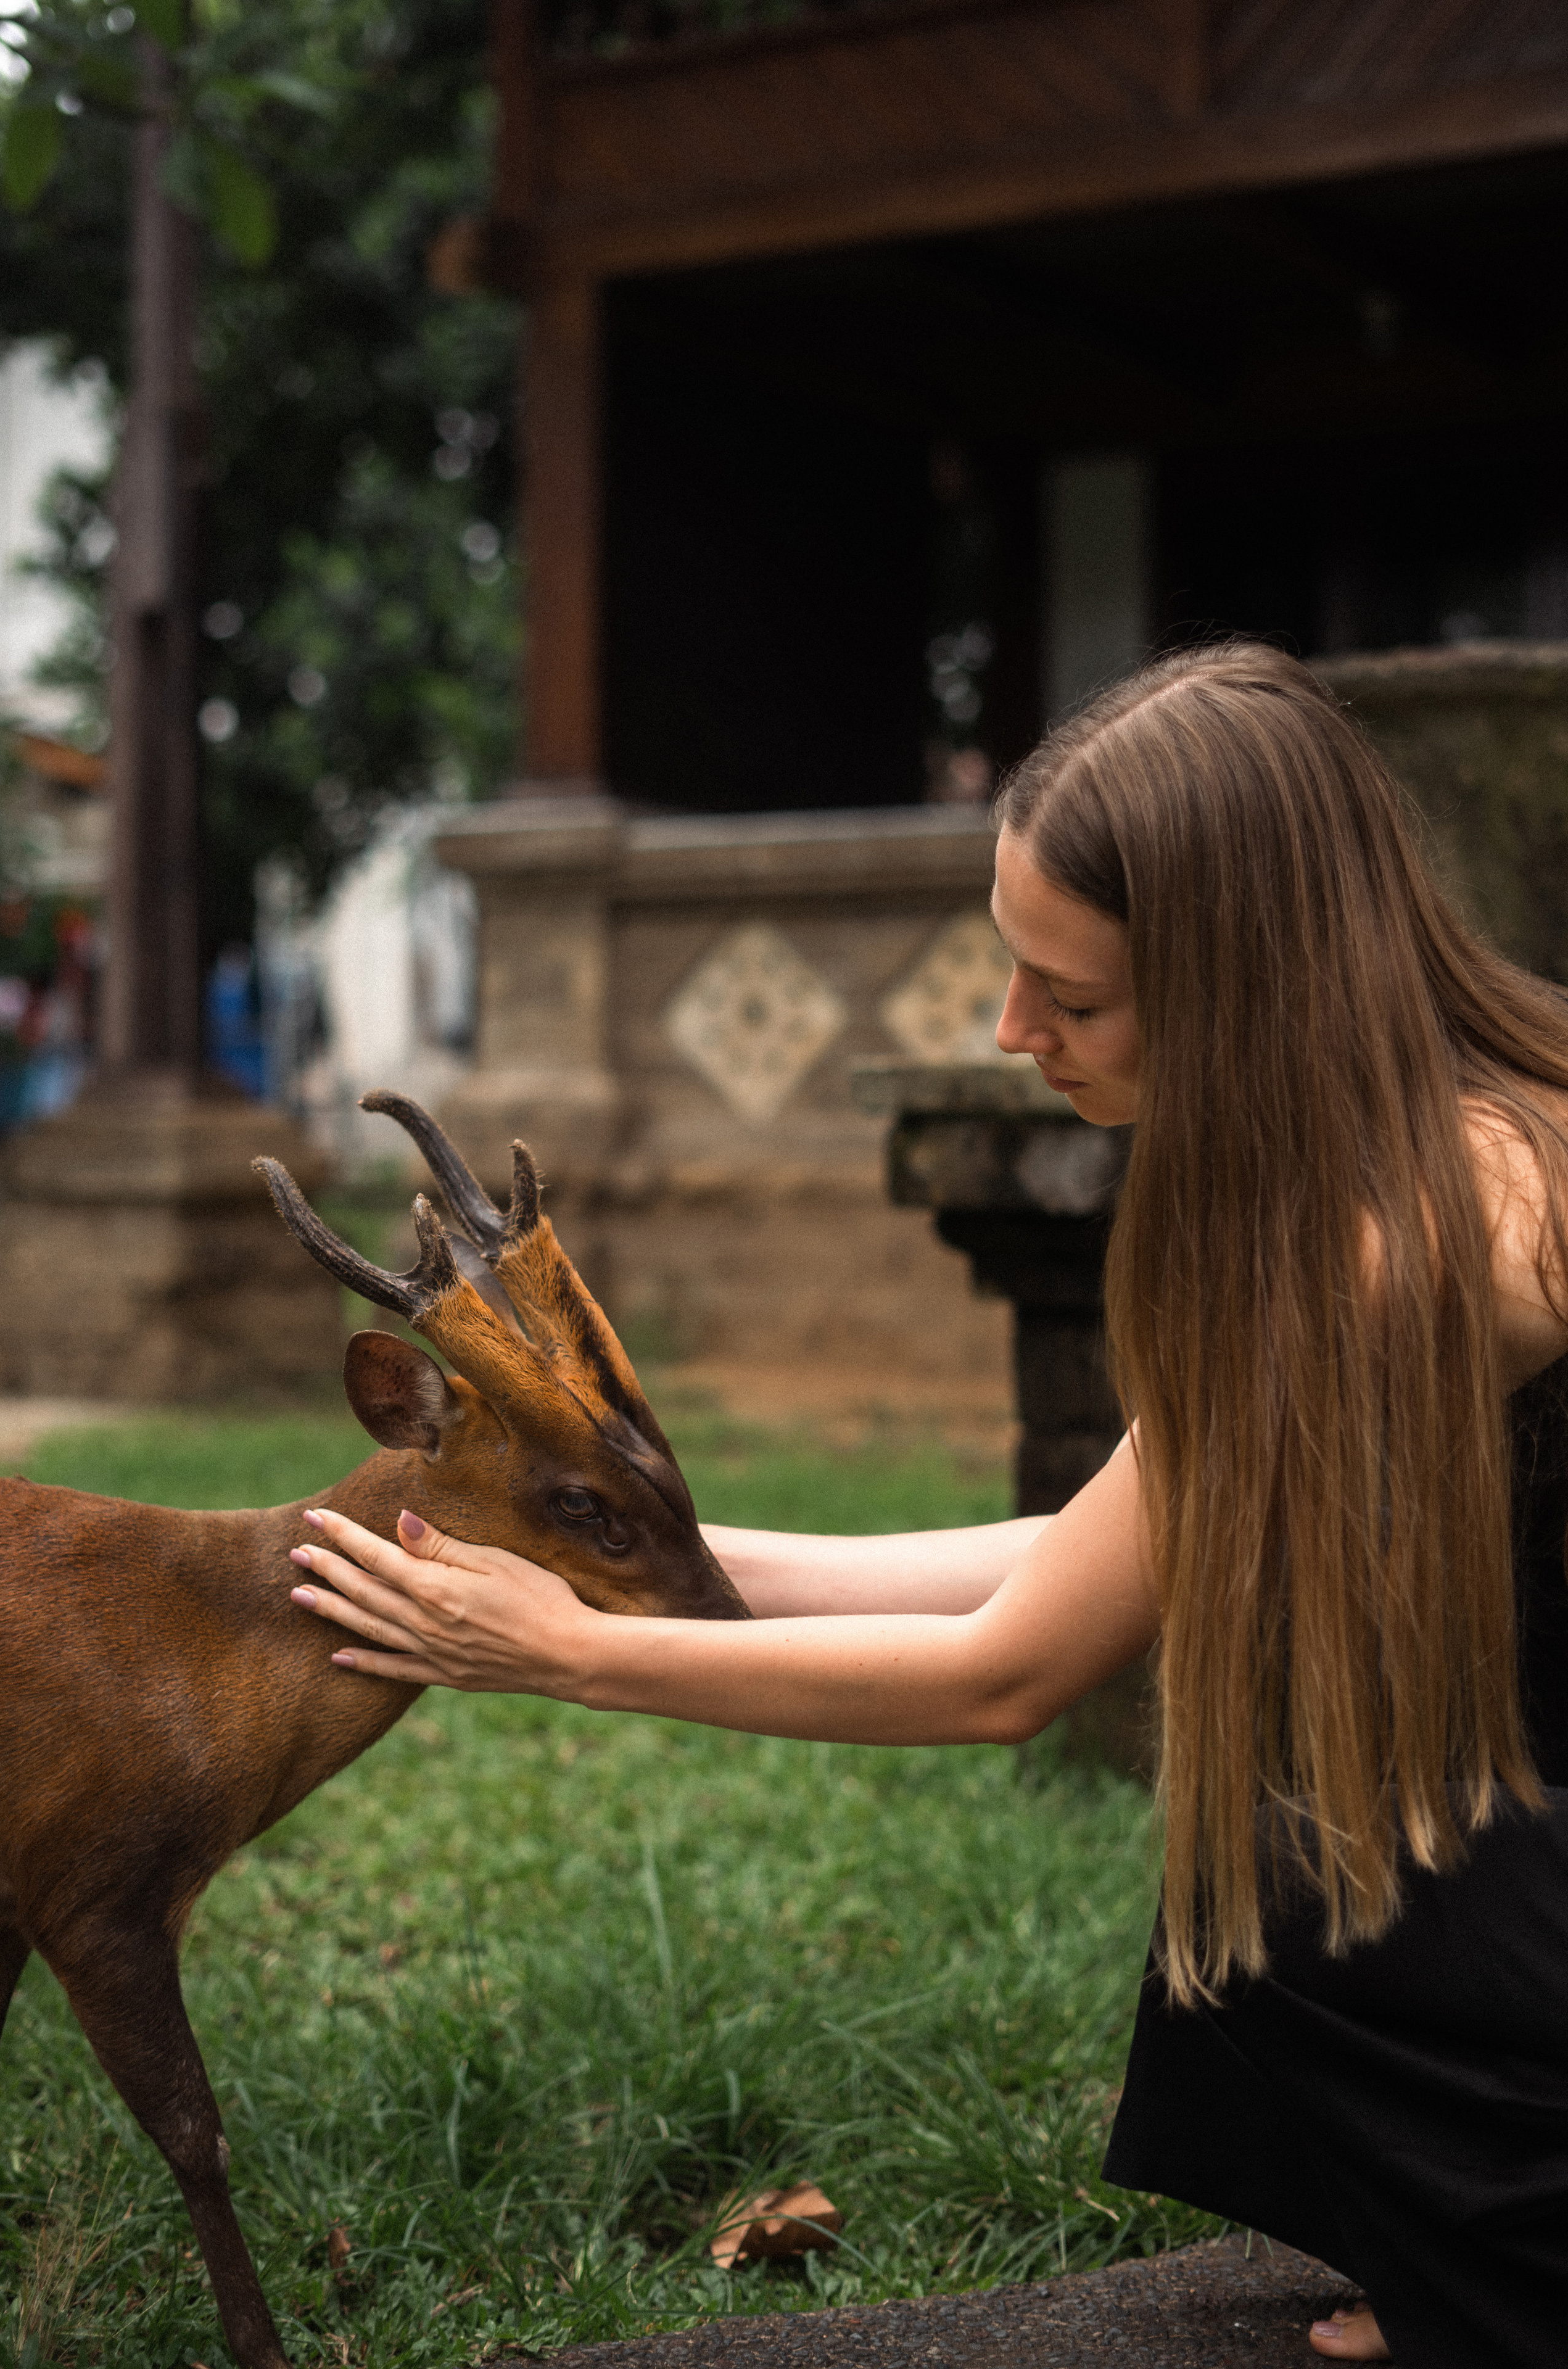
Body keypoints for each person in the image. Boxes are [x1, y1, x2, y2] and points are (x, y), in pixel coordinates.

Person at [287, 643, 1568, 2369]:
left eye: (1075, 998)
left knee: (1307, 1836)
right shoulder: (1453, 1134)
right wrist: (649, 1561)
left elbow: (1007, 1675)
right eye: (1012, 969)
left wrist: (560, 1656)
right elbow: (1083, 1560)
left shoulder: (1409, 1245)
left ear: (1242, 985)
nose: (1011, 1032)